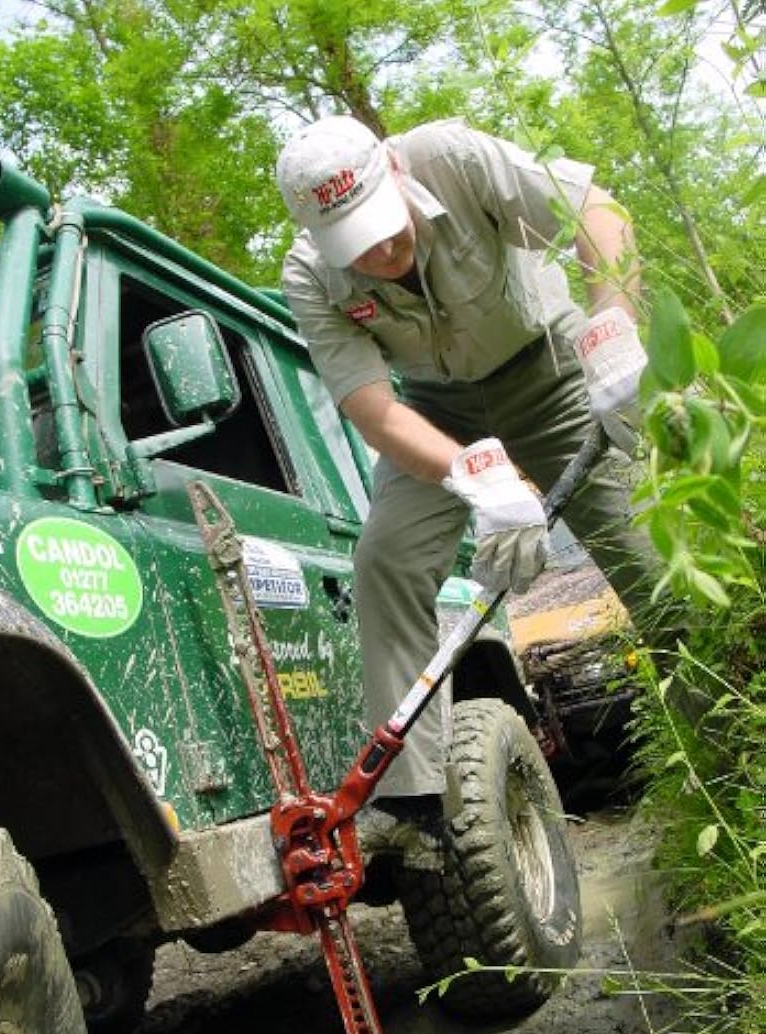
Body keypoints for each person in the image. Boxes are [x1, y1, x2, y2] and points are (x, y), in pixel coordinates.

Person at [275, 115, 655, 866]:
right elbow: (371, 408)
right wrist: (468, 474)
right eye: (356, 244)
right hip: (436, 413)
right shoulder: (309, 276)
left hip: (549, 369)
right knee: (384, 560)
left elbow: (596, 210)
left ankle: (725, 736)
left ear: (394, 170)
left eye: (383, 224)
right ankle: (414, 800)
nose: (381, 253)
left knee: (646, 554)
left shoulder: (449, 157)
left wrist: (613, 321)